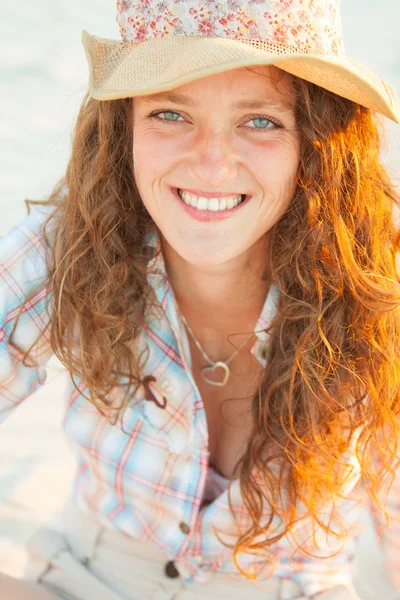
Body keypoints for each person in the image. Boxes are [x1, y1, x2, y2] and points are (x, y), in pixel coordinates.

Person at [1, 0, 400, 599]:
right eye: (170, 113)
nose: (212, 164)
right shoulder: (71, 247)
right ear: (123, 129)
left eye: (260, 120)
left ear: (314, 145)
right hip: (90, 578)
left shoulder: (377, 292)